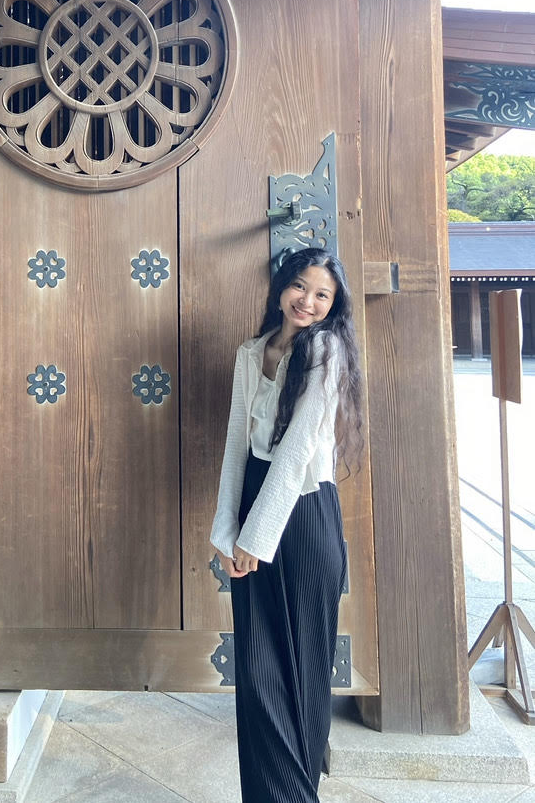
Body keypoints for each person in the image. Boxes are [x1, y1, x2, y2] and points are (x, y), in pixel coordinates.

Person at [210, 246, 363, 803]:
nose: (309, 301)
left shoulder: (325, 351)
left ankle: (298, 795)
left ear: (333, 305)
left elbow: (297, 450)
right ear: (281, 288)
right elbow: (236, 444)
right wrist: (226, 532)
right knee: (256, 669)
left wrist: (255, 537)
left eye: (323, 295)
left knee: (302, 667)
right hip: (257, 503)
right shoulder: (251, 353)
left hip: (303, 514)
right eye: (301, 287)